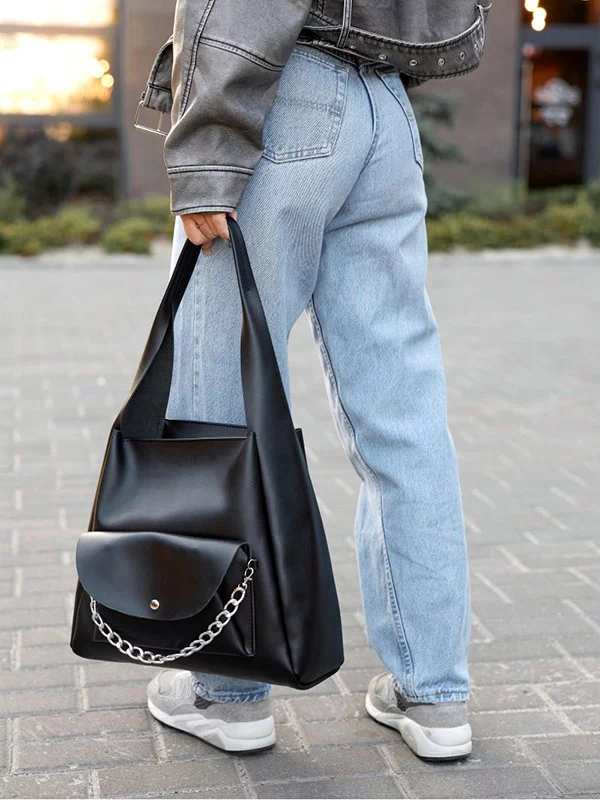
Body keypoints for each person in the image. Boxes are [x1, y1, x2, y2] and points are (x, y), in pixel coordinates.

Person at [140, 0, 491, 761]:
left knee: (219, 406)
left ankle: (227, 691)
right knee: (403, 418)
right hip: (385, 113)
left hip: (280, 100)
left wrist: (206, 148)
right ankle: (434, 694)